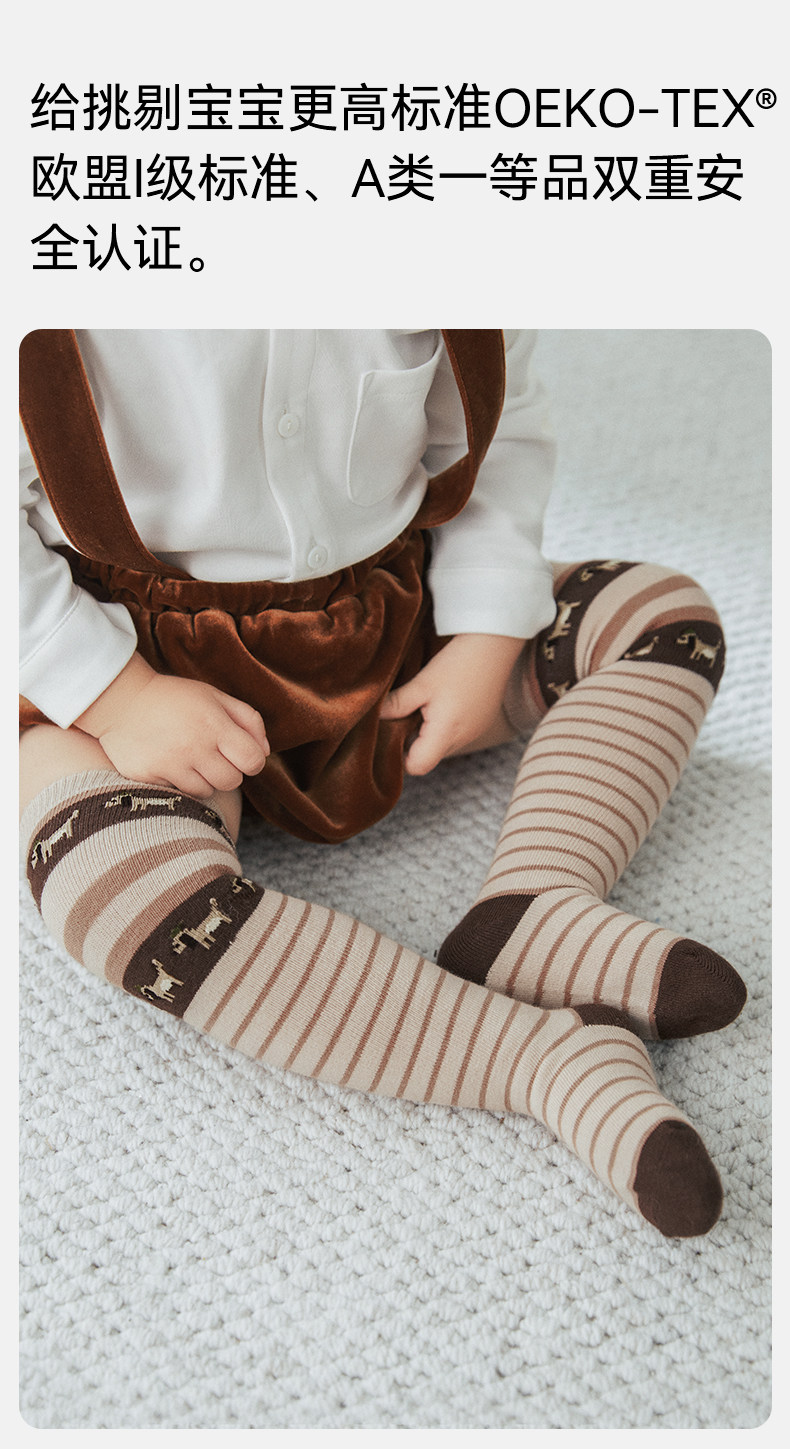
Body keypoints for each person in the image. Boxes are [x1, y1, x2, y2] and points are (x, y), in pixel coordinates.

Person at [19, 328, 746, 1239]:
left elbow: (495, 430)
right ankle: (538, 1060)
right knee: (109, 888)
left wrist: (487, 628)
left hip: (386, 630)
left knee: (660, 615)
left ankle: (537, 906)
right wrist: (118, 694)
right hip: (133, 670)